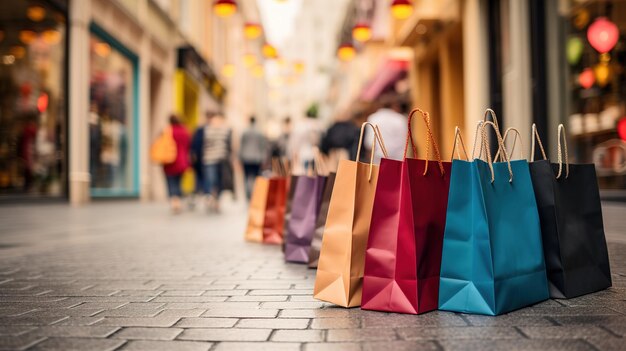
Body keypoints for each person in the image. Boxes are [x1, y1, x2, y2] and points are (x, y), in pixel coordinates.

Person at [202, 111, 232, 213]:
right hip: (209, 159)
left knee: (219, 181)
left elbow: (229, 145)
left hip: (222, 160)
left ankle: (217, 200)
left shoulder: (225, 130)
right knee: (211, 179)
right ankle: (211, 197)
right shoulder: (207, 129)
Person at [365, 94, 408, 163]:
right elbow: (405, 140)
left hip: (378, 159)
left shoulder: (373, 118)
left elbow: (370, 143)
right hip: (398, 159)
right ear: (394, 105)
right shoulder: (401, 119)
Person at [163, 114, 191, 214]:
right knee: (178, 182)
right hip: (181, 161)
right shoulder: (185, 131)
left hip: (169, 160)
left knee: (171, 181)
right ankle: (178, 201)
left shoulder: (168, 130)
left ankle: (174, 201)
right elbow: (189, 146)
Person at [239, 116, 268, 200]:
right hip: (257, 158)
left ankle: (248, 194)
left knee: (247, 177)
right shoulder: (259, 132)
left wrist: (239, 157)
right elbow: (263, 146)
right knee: (256, 177)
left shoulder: (245, 132)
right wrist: (263, 158)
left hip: (246, 158)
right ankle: (255, 193)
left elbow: (242, 145)